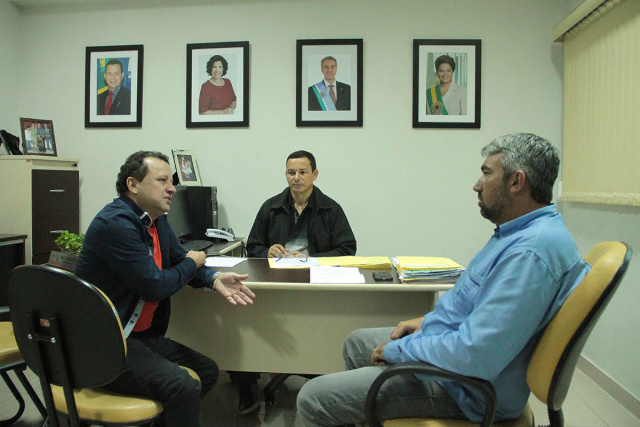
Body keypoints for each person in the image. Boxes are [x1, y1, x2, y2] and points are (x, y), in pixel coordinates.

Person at [296, 133, 591, 426]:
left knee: (313, 397)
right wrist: (427, 322)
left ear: (516, 182)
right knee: (357, 342)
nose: (476, 185)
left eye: (486, 174)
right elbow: (481, 311)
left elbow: (476, 353)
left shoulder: (531, 252)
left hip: (467, 390)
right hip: (460, 365)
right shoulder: (517, 234)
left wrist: (400, 350)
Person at [75, 151, 256, 427]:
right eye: (162, 180)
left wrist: (213, 278)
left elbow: (178, 262)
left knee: (207, 372)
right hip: (108, 343)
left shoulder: (156, 220)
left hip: (142, 337)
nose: (172, 187)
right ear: (133, 185)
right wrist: (194, 262)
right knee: (182, 386)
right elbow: (155, 286)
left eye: (171, 181)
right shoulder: (117, 224)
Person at [232, 150, 356, 415]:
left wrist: (312, 257)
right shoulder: (271, 207)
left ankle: (321, 376)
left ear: (315, 174)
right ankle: (246, 383)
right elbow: (252, 245)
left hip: (315, 285)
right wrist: (267, 251)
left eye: (302, 172)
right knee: (241, 321)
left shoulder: (330, 209)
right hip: (273, 284)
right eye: (291, 172)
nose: (296, 178)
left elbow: (347, 250)